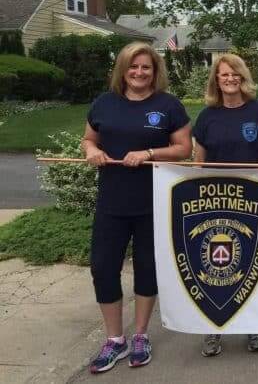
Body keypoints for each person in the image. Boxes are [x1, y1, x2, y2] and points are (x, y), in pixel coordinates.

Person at [82, 42, 192, 373]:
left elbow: (184, 148)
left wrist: (148, 153)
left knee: (147, 268)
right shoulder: (104, 103)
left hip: (152, 202)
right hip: (112, 202)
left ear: (155, 71)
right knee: (102, 268)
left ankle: (141, 335)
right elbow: (89, 139)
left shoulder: (168, 105)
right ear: (123, 70)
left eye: (146, 67)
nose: (139, 72)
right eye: (133, 66)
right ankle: (115, 340)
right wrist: (90, 151)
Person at [193, 54, 258, 357]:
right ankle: (214, 329)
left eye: (235, 75)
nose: (229, 79)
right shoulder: (206, 117)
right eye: (224, 75)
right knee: (216, 265)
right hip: (215, 203)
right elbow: (198, 162)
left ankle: (253, 325)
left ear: (244, 78)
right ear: (216, 80)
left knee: (251, 264)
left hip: (253, 203)